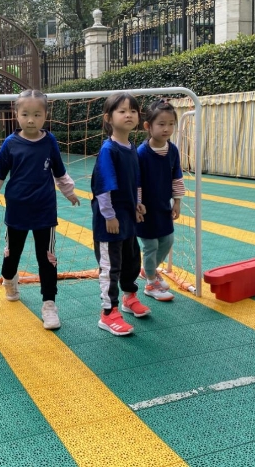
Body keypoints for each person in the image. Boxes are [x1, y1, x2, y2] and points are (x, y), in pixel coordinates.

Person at [0, 89, 80, 330]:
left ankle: (49, 304)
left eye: (37, 114)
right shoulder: (11, 143)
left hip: (45, 211)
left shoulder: (49, 141)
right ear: (16, 115)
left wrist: (70, 192)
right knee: (12, 254)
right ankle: (9, 279)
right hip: (17, 211)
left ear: (45, 115)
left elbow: (59, 171)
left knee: (47, 259)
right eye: (25, 114)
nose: (31, 120)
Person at [91, 92, 150, 336]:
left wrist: (138, 204)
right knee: (110, 267)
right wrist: (109, 216)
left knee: (131, 260)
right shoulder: (109, 150)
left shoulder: (131, 148)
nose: (129, 115)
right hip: (110, 222)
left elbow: (135, 181)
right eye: (122, 111)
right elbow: (103, 187)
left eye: (133, 111)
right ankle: (108, 313)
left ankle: (129, 297)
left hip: (127, 218)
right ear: (108, 118)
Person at [137, 99, 185, 302]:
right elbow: (136, 182)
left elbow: (177, 176)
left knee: (167, 241)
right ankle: (150, 283)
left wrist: (177, 202)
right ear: (148, 126)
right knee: (151, 246)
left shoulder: (172, 150)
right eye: (161, 124)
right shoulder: (141, 153)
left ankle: (149, 270)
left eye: (171, 124)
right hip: (145, 210)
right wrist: (137, 205)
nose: (167, 129)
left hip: (163, 207)